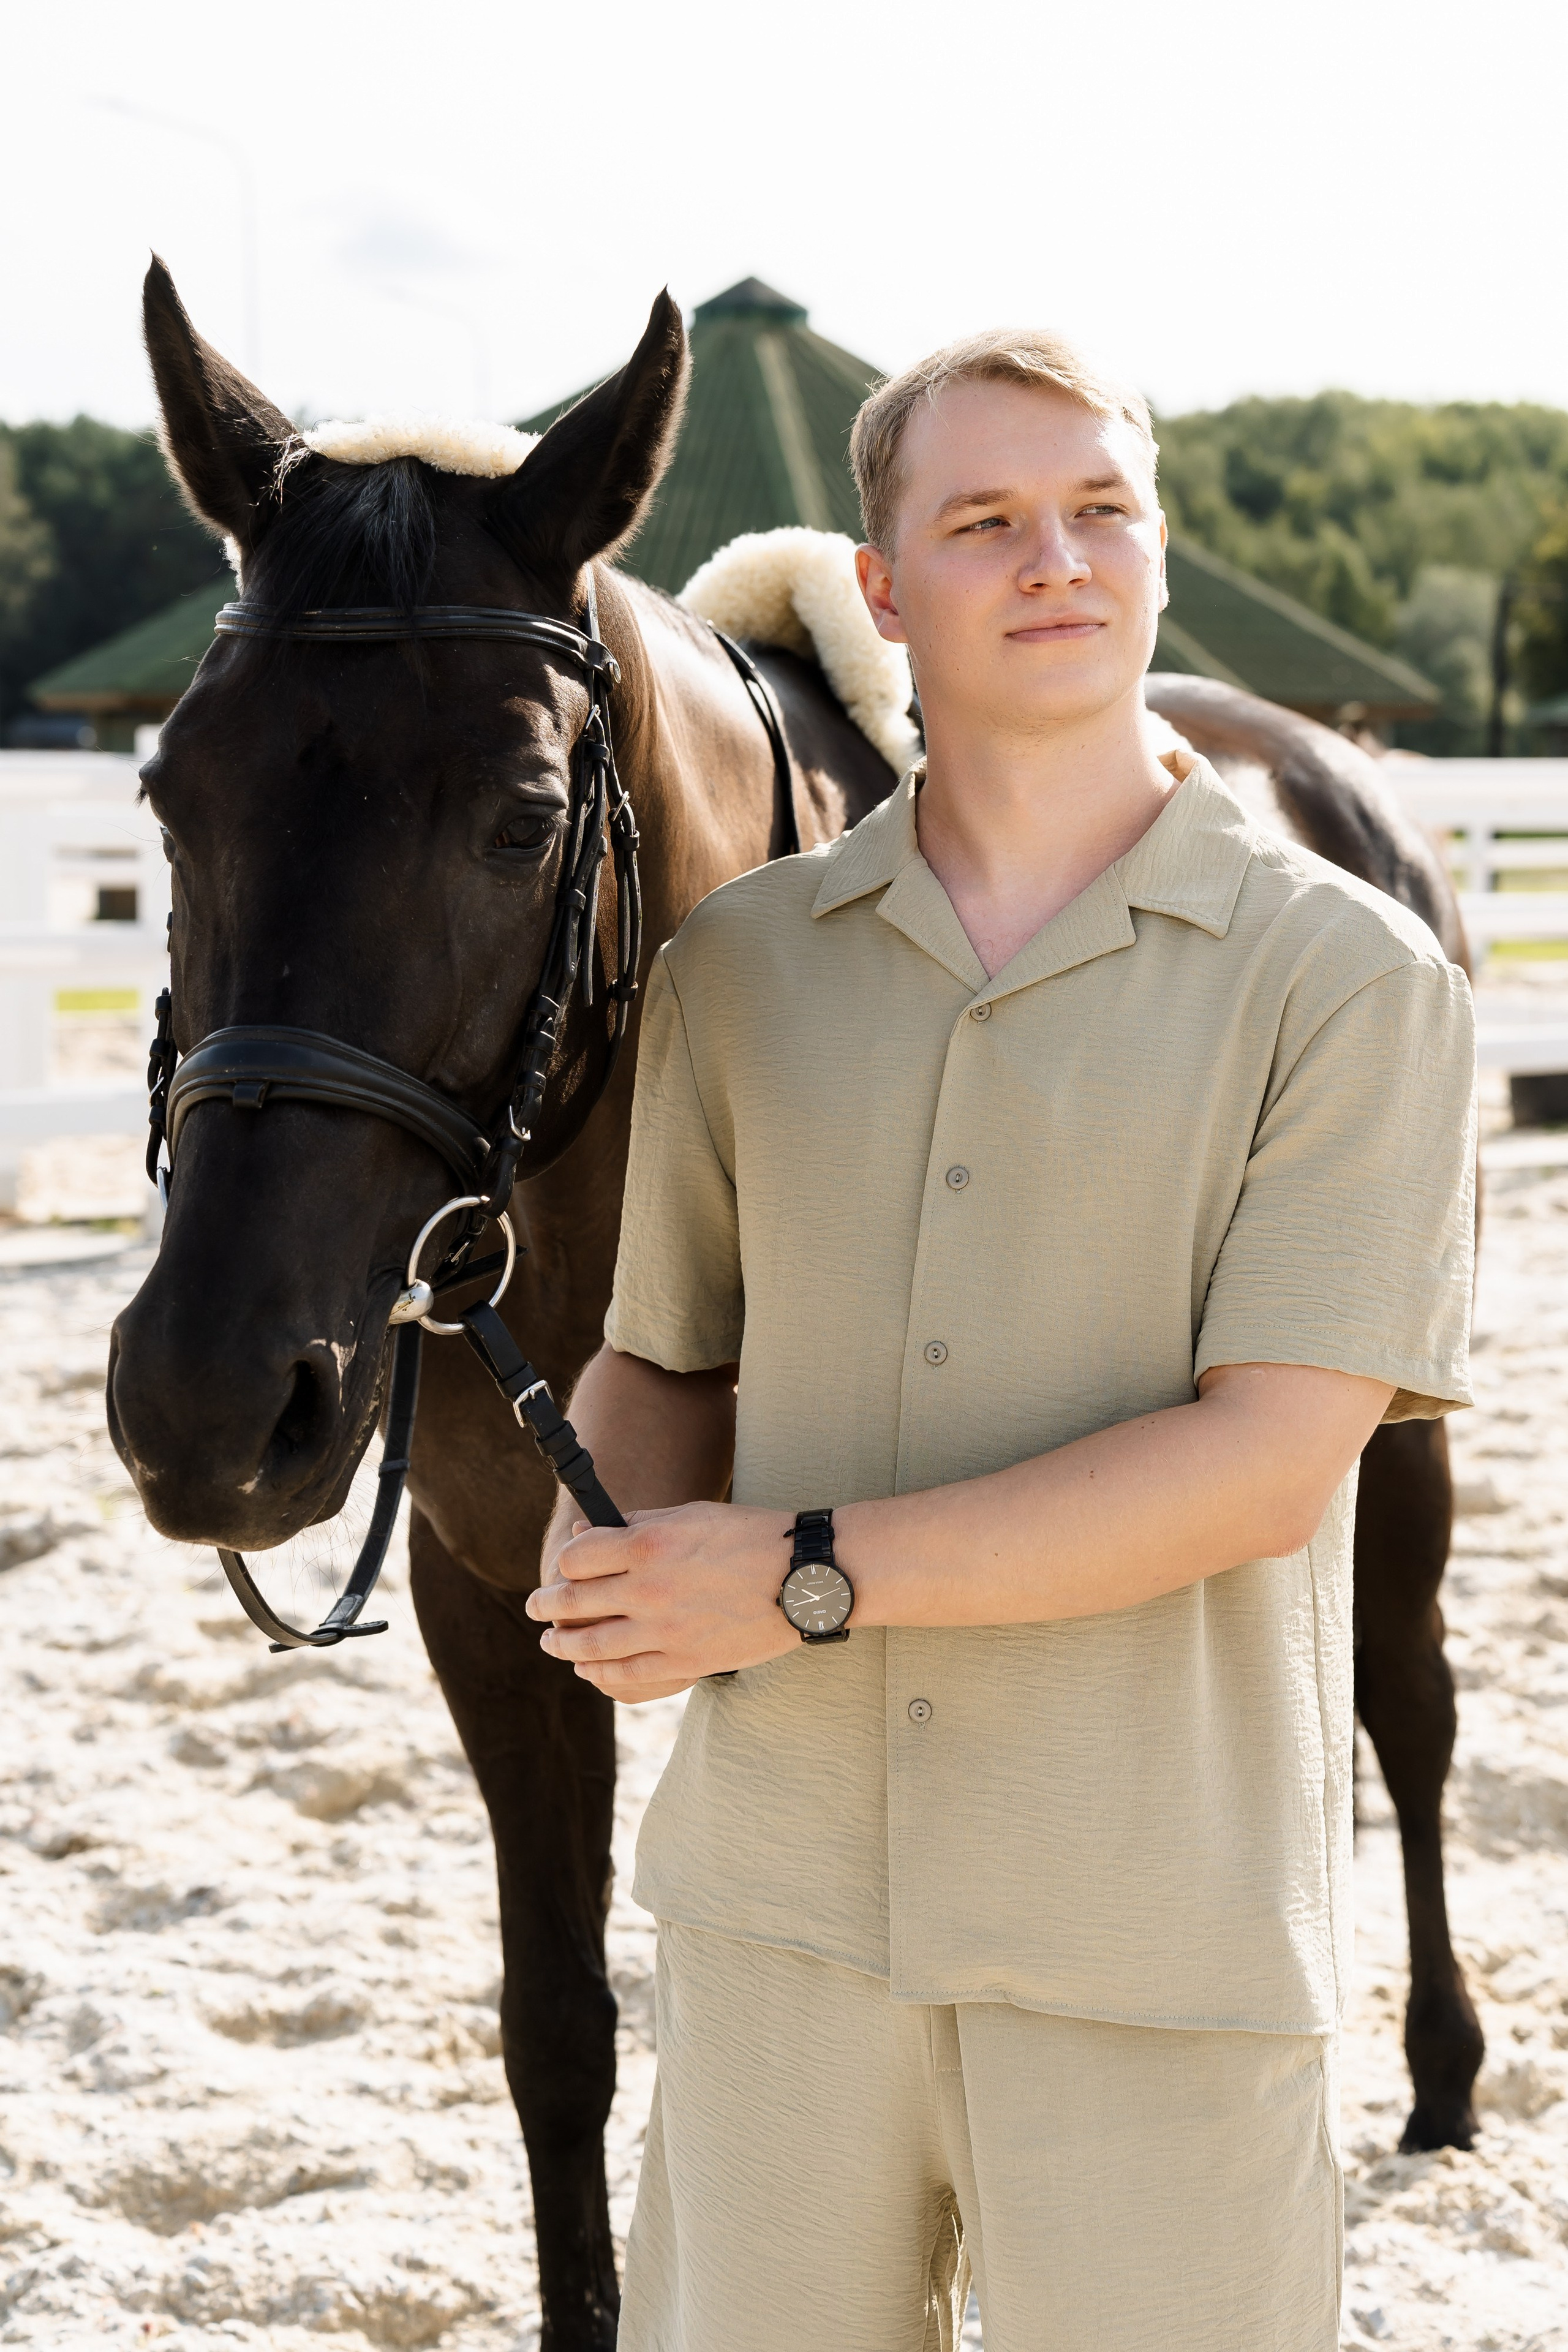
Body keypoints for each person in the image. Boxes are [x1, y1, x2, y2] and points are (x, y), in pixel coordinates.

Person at [526, 330, 1477, 2352]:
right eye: (984, 523)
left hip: (1157, 1941)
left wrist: (788, 1577)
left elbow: (1266, 1462)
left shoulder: (1351, 984)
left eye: (1100, 511)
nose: (1059, 558)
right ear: (882, 592)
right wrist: (604, 1523)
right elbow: (669, 1358)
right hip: (775, 1927)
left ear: (1154, 551)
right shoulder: (741, 972)